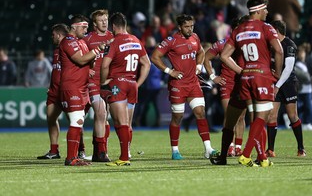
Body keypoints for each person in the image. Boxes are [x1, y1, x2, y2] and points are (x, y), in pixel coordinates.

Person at [220, 0, 283, 167]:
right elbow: (279, 50)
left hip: (245, 77)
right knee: (261, 117)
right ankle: (246, 155)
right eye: (265, 10)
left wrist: (241, 71)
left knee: (247, 117)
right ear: (258, 11)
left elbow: (224, 56)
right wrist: (277, 73)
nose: (267, 12)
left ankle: (262, 157)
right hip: (261, 75)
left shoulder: (238, 29)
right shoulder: (266, 27)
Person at [151, 14, 217, 160]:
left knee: (200, 113)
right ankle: (175, 150)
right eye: (187, 26)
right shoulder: (171, 41)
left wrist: (199, 66)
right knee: (178, 117)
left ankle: (208, 148)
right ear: (180, 27)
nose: (190, 29)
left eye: (191, 26)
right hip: (178, 84)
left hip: (193, 83)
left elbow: (201, 52)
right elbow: (154, 56)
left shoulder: (195, 37)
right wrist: (169, 71)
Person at [101, 12, 150, 166]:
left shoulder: (114, 42)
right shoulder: (136, 40)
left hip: (118, 84)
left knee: (119, 121)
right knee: (127, 123)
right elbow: (147, 63)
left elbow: (104, 65)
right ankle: (126, 152)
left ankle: (124, 158)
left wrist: (103, 81)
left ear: (114, 26)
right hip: (132, 85)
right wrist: (138, 83)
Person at [59, 14, 104, 166]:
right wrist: (97, 50)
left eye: (86, 27)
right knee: (76, 120)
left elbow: (89, 64)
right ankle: (71, 158)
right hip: (72, 86)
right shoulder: (68, 41)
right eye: (83, 27)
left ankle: (77, 155)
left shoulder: (82, 43)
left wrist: (92, 59)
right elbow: (80, 60)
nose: (86, 29)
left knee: (79, 121)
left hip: (82, 86)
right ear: (74, 27)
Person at [204, 15, 249, 162]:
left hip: (242, 83)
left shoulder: (248, 44)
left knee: (242, 116)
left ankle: (238, 146)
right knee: (229, 115)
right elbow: (206, 58)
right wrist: (213, 77)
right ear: (234, 29)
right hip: (227, 84)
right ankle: (229, 145)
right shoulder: (223, 43)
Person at [266, 20, 306, 158]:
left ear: (276, 31)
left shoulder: (289, 45)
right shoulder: (271, 45)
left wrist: (277, 86)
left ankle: (301, 148)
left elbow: (288, 69)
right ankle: (270, 149)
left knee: (292, 116)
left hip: (288, 83)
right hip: (275, 83)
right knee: (271, 115)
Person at [82, 9, 114, 162]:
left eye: (106, 19)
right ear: (94, 24)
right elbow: (82, 59)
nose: (104, 22)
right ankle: (100, 152)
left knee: (105, 117)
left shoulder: (113, 37)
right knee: (100, 114)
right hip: (93, 83)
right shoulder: (87, 39)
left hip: (108, 83)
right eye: (101, 20)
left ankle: (99, 151)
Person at [37, 24, 68, 160]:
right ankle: (54, 150)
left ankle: (81, 150)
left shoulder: (71, 48)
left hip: (67, 89)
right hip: (54, 90)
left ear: (60, 35)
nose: (52, 37)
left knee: (74, 120)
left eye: (53, 35)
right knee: (51, 118)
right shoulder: (56, 50)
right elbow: (56, 70)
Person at [295, 45, 312, 131]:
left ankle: (307, 123)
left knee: (306, 108)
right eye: (300, 53)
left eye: (303, 53)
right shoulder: (297, 64)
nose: (302, 55)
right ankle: (307, 123)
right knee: (306, 107)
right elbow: (305, 78)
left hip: (308, 89)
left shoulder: (306, 64)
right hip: (302, 89)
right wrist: (310, 79)